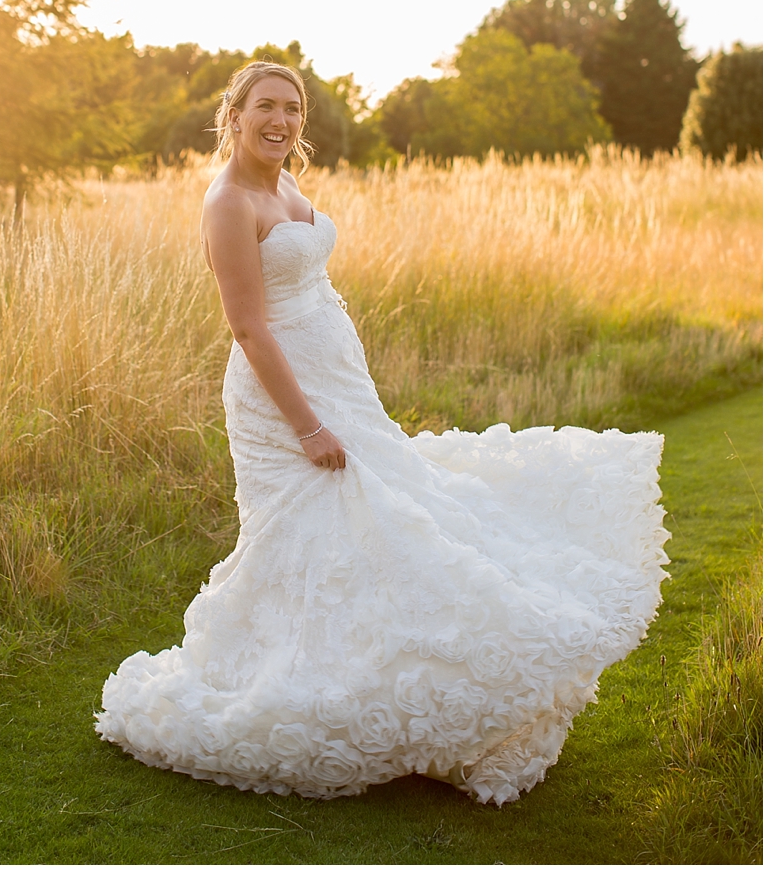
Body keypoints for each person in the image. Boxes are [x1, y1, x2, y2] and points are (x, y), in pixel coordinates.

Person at [96, 60, 669, 805]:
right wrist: (309, 425)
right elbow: (247, 326)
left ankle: (385, 682)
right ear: (233, 116)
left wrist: (347, 378)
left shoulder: (288, 187)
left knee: (387, 516)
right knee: (318, 532)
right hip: (283, 402)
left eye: (292, 109)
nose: (281, 120)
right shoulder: (228, 202)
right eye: (265, 106)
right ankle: (312, 690)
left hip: (337, 382)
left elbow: (311, 287)